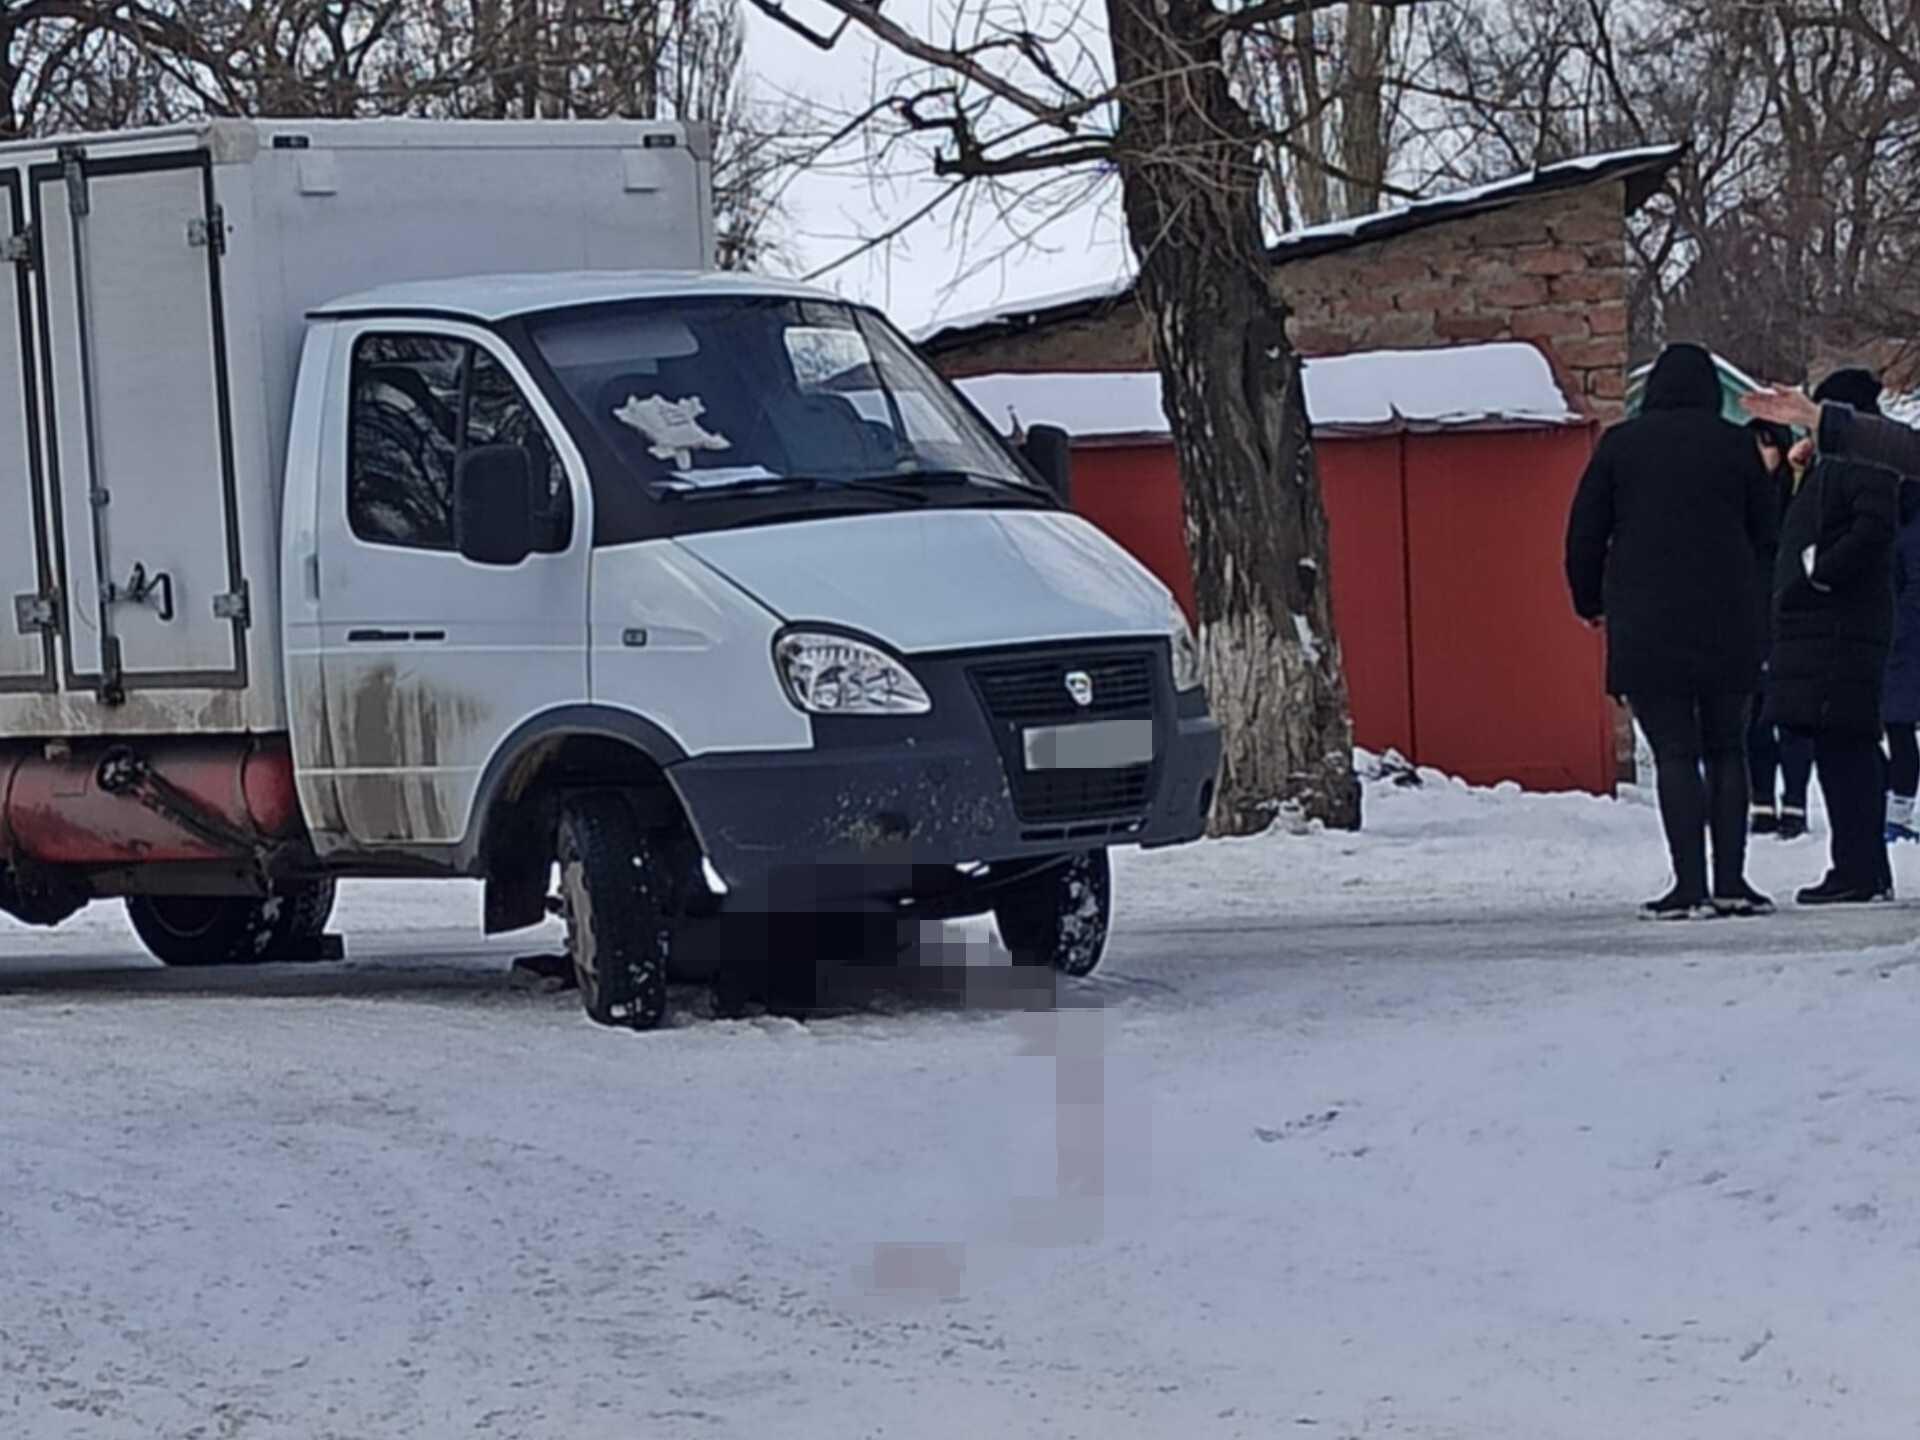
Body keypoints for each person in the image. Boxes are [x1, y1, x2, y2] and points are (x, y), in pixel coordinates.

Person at [1566, 343, 1779, 919]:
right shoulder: (1737, 445)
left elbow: (1585, 532)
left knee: (1676, 753)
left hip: (1648, 619)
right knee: (1728, 749)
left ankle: (1688, 886)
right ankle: (1732, 881)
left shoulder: (1620, 447)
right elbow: (1768, 534)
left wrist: (1589, 600)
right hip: (1728, 620)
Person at [1764, 368, 1899, 905]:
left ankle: (1858, 870)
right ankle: (1861, 867)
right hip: (1827, 626)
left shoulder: (1865, 460)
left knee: (1846, 749)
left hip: (1842, 624)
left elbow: (1872, 529)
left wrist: (1819, 571)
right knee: (1839, 745)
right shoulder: (1829, 463)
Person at [1745, 419, 1815, 839]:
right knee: (1753, 717)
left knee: (1792, 717)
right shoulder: (1740, 495)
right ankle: (1762, 800)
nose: (1762, 455)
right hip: (1751, 615)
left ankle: (1795, 800)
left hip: (1793, 616)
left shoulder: (1798, 494)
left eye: (1768, 446)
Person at [1885, 478, 1920, 841]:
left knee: (1898, 725)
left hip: (1905, 644)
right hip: (1906, 641)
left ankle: (1898, 810)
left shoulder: (1906, 536)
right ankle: (1898, 808)